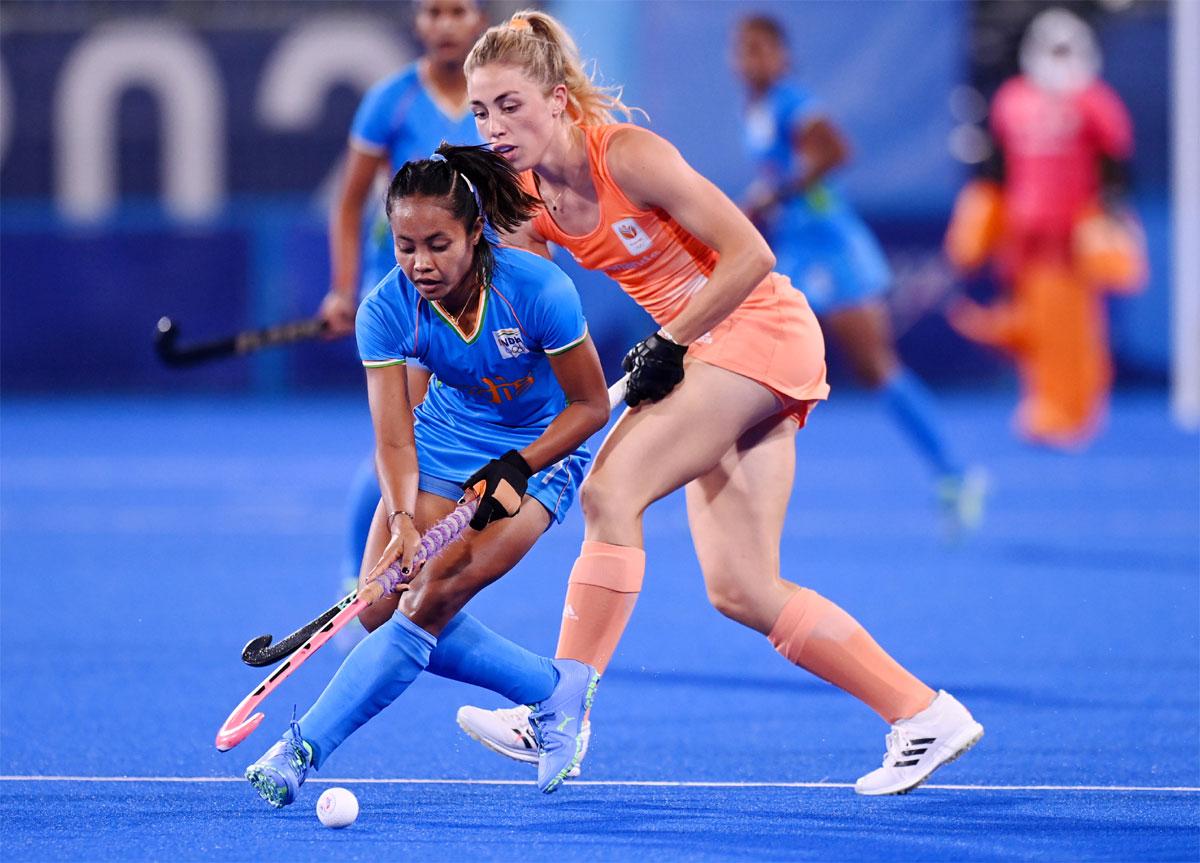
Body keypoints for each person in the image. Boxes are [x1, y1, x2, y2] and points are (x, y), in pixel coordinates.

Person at [455, 10, 984, 796]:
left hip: (756, 326)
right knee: (740, 585)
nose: (494, 126)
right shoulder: (532, 205)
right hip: (708, 353)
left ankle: (560, 708)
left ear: (559, 100)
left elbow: (751, 253)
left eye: (510, 105)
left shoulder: (627, 156)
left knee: (611, 491)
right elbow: (525, 321)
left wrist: (670, 340)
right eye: (480, 111)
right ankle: (923, 713)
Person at [244, 143, 611, 806]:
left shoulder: (538, 290)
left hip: (542, 446)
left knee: (429, 596)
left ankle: (302, 748)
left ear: (475, 232)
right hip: (446, 434)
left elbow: (592, 405)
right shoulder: (386, 310)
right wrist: (407, 517)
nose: (421, 263)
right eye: (406, 245)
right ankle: (553, 687)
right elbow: (391, 434)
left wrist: (518, 466)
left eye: (438, 243)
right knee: (380, 605)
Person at [732, 15, 985, 531]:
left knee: (875, 367)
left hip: (831, 248)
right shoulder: (756, 111)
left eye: (760, 49)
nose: (749, 60)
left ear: (783, 56)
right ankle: (742, 488)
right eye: (742, 50)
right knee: (759, 356)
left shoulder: (791, 102)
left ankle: (955, 474)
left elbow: (836, 150)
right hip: (799, 250)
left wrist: (773, 197)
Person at [321, 0, 488, 602]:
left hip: (477, 292)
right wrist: (344, 289)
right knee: (408, 436)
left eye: (457, 11)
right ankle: (359, 576)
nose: (444, 25)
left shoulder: (493, 96)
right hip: (410, 291)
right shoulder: (391, 99)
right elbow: (348, 203)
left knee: (439, 435)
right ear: (418, 23)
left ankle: (396, 572)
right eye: (432, 12)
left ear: (480, 19)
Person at [944, 8, 1145, 449]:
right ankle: (1043, 403)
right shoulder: (1012, 101)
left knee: (1072, 332)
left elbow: (1117, 167)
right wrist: (980, 224)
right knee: (1032, 328)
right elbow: (996, 171)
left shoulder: (1095, 102)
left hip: (1071, 241)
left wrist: (1108, 219)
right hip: (1024, 237)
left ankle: (1072, 412)